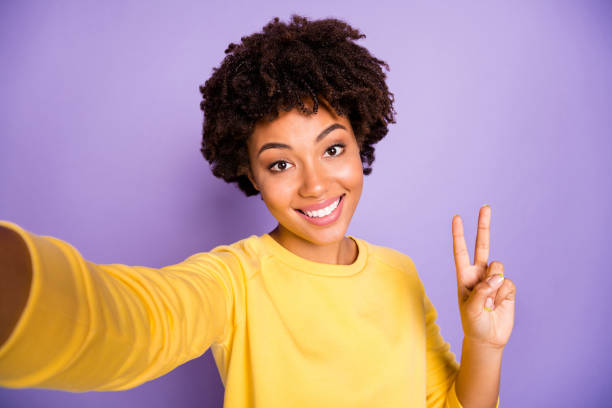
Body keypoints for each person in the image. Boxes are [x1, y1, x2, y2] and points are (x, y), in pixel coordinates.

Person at [0, 15, 515, 408]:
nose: (315, 184)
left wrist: (483, 344)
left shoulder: (399, 274)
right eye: (280, 163)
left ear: (361, 142)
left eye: (332, 149)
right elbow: (134, 322)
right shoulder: (233, 280)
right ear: (250, 175)